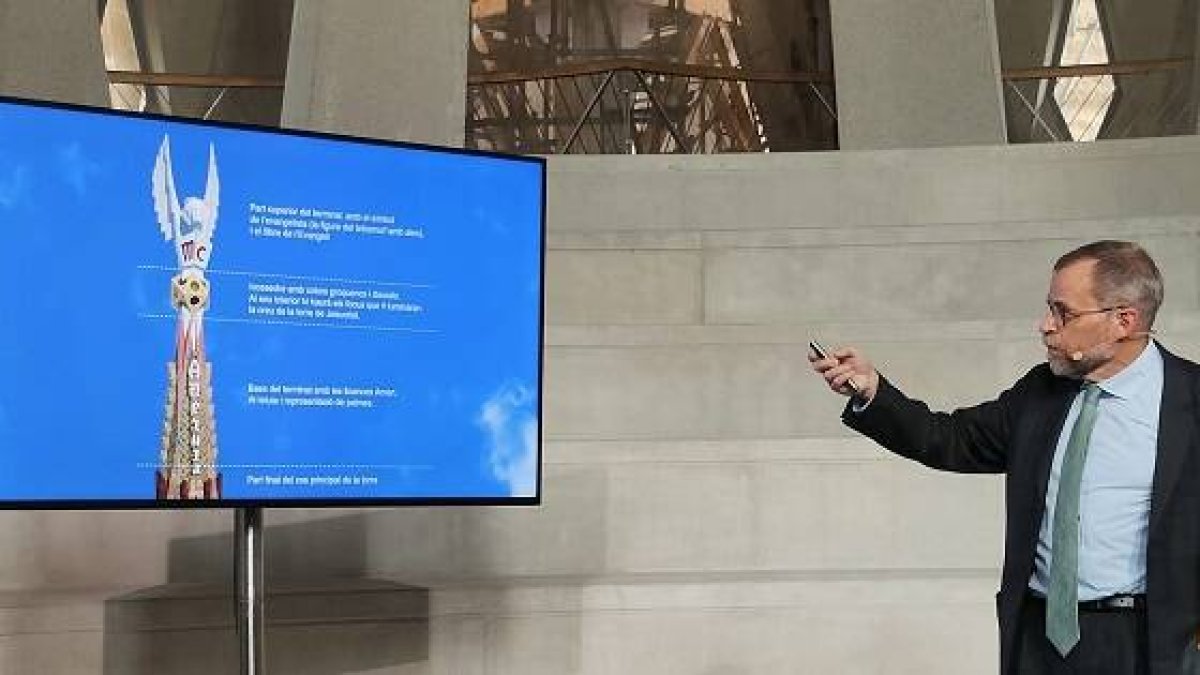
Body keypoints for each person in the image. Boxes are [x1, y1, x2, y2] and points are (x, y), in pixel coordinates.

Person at [810, 241, 1200, 675]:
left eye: (1063, 312)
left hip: (1146, 646)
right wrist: (872, 392)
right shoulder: (1040, 393)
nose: (1045, 325)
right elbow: (950, 438)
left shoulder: (1191, 400)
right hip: (1037, 640)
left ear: (1123, 320)